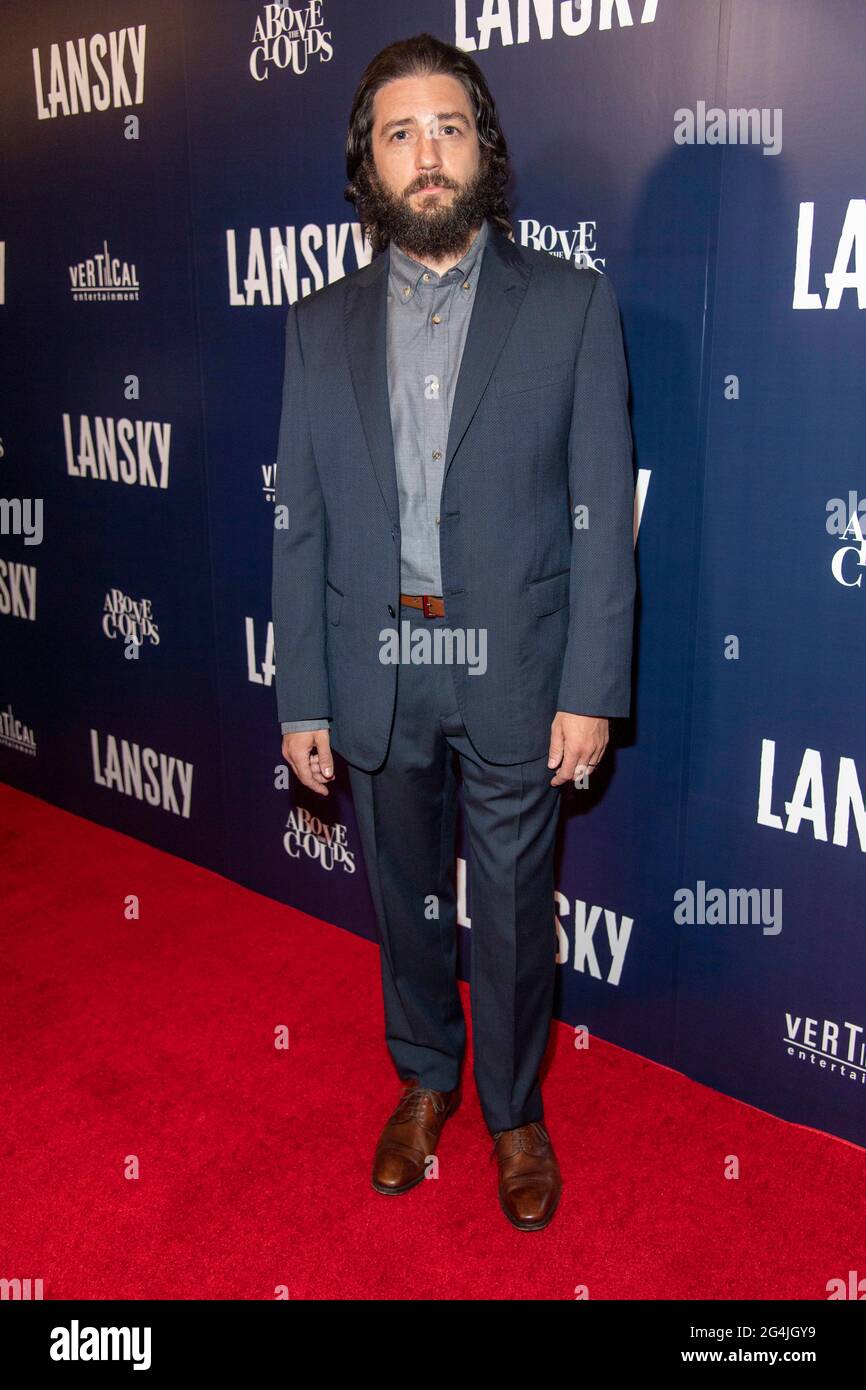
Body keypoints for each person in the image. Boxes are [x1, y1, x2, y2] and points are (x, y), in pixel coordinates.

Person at [271, 32, 636, 1231]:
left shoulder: (572, 307)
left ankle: (513, 1108)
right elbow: (304, 527)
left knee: (517, 905)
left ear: (482, 148)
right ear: (367, 168)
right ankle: (424, 1076)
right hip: (378, 666)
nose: (426, 156)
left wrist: (589, 687)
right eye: (398, 134)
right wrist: (302, 697)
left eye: (447, 128)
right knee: (405, 896)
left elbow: (599, 523)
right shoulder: (316, 325)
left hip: (517, 669)